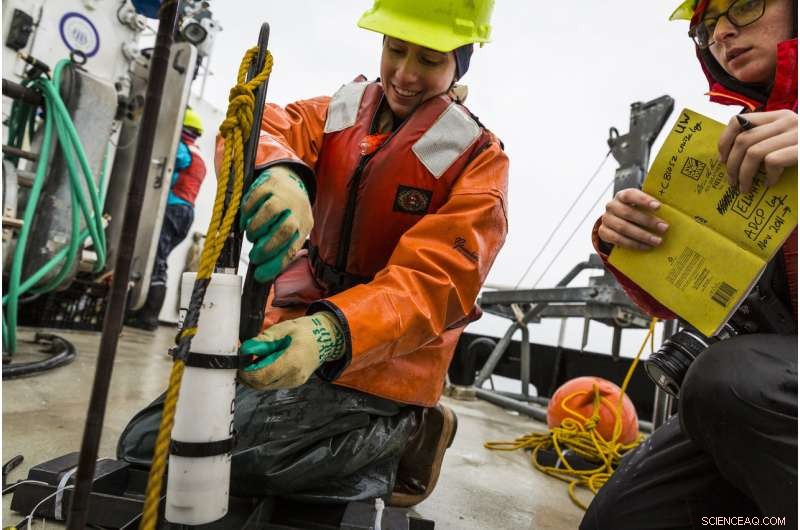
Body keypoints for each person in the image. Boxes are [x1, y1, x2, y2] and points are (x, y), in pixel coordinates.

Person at [119, 0, 508, 507]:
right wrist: (277, 171)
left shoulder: (480, 160)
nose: (406, 74)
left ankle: (413, 430)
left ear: (462, 60)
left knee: (244, 458)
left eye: (430, 60)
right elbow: (255, 128)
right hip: (290, 325)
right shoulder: (336, 114)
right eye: (396, 49)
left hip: (390, 356)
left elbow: (437, 282)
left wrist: (329, 335)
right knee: (149, 443)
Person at [582, 0, 797, 528]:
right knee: (623, 517)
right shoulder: (740, 141)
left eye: (743, 6)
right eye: (707, 26)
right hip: (767, 390)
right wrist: (625, 244)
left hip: (755, 385)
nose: (722, 32)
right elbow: (690, 296)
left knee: (729, 378)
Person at [126, 108, 207, 331]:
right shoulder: (198, 153)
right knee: (159, 260)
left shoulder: (181, 149)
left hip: (173, 209)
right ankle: (145, 313)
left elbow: (163, 165)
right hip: (186, 213)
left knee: (156, 260)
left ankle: (148, 317)